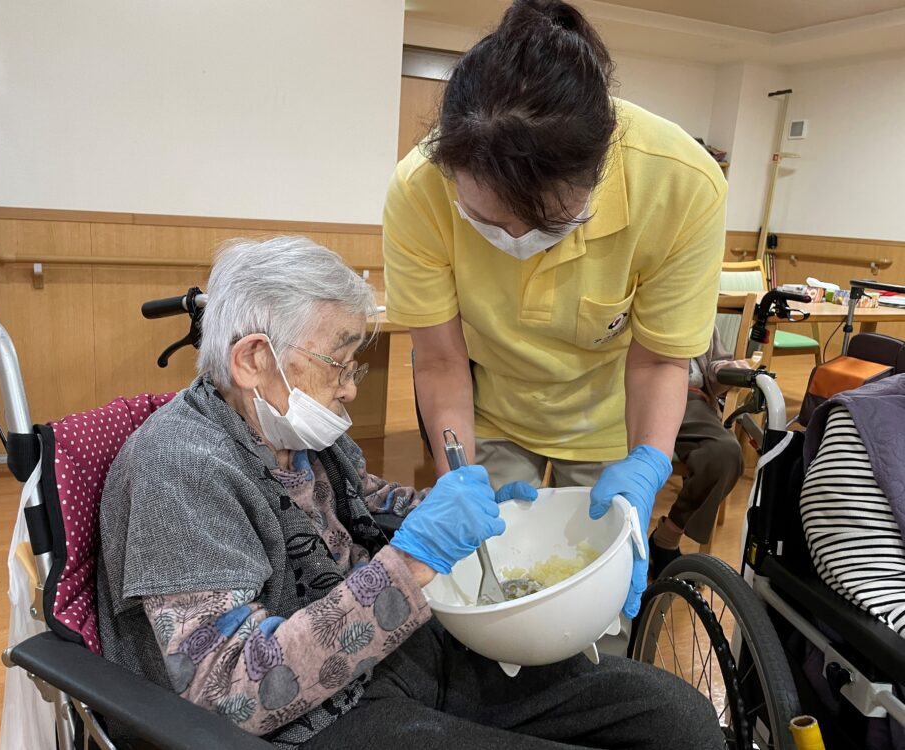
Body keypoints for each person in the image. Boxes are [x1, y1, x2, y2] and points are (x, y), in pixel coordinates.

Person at [96, 237, 722, 749]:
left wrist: (462, 512)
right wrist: (412, 561)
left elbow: (365, 501)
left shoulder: (295, 432)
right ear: (255, 359)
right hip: (309, 723)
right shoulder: (179, 471)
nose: (348, 389)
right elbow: (227, 690)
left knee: (676, 719)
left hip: (399, 660)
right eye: (338, 363)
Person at [383, 0, 727, 620]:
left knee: (598, 599)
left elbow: (656, 364)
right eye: (485, 221)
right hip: (486, 408)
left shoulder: (680, 185)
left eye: (547, 223)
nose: (513, 243)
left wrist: (648, 462)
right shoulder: (419, 188)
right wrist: (455, 471)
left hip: (610, 419)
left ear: (600, 170)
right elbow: (438, 360)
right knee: (477, 583)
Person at [648, 327, 748, 578]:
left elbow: (716, 364)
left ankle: (666, 539)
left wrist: (730, 369)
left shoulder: (697, 305)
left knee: (724, 454)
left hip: (690, 400)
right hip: (628, 395)